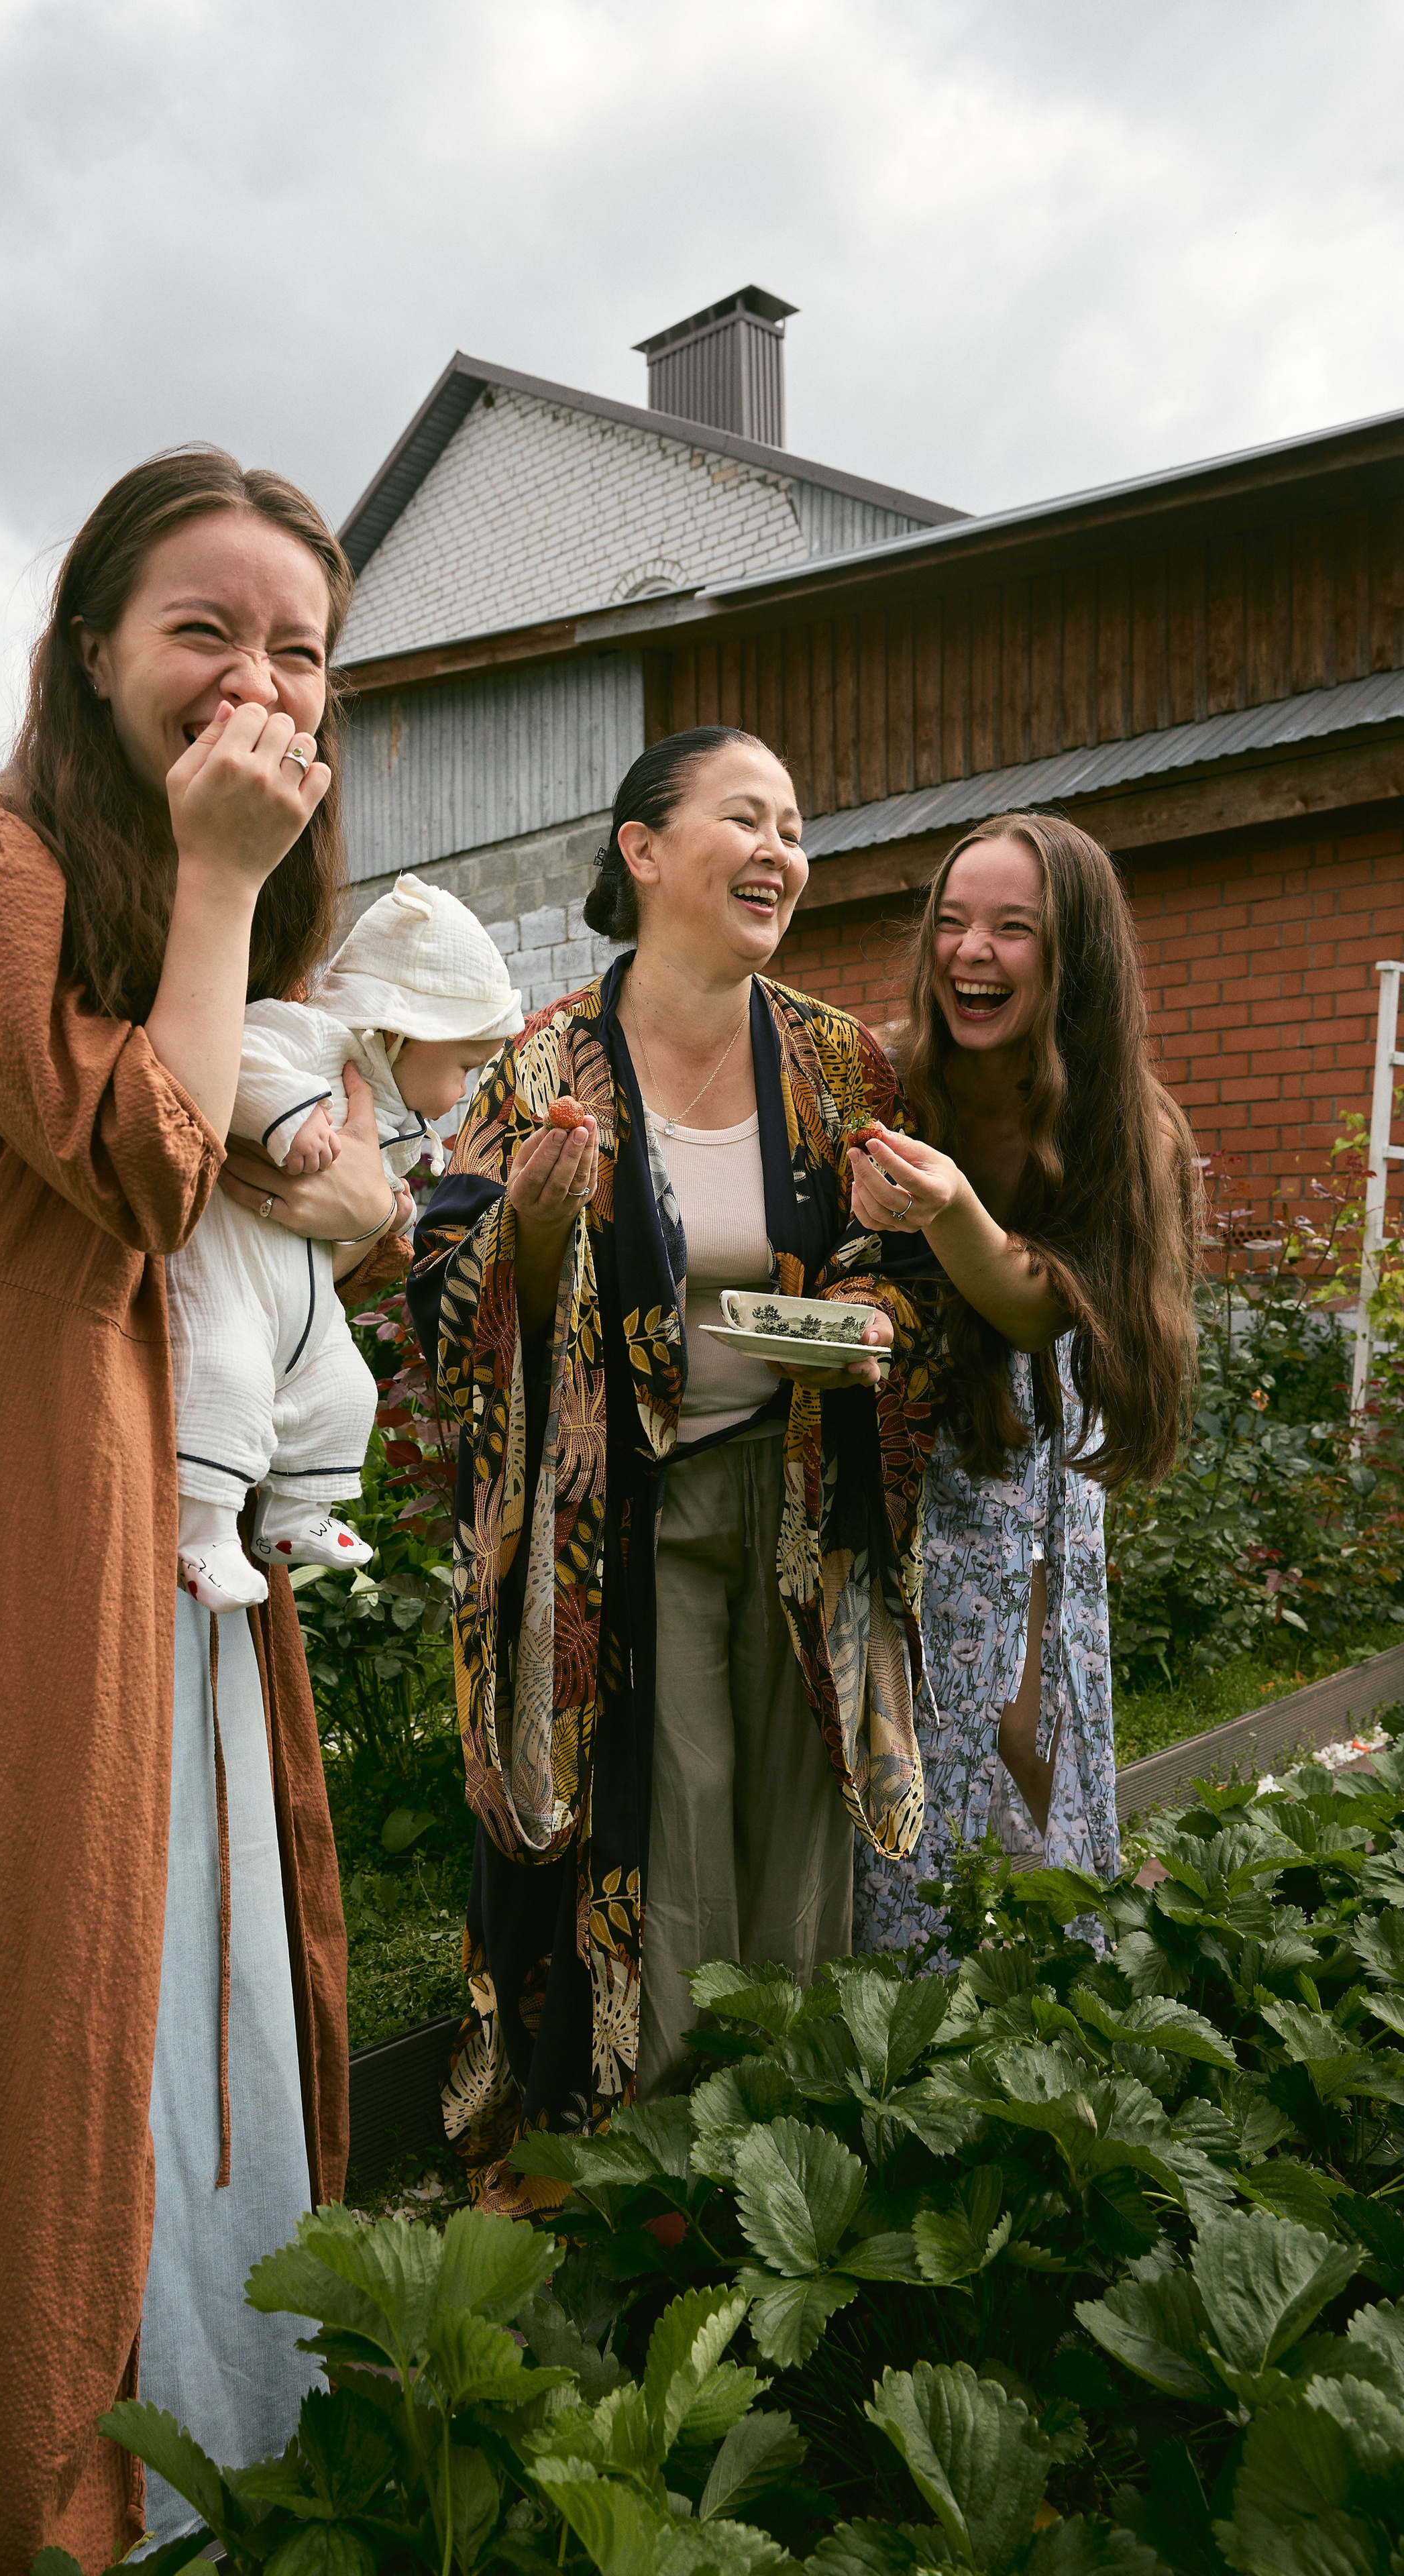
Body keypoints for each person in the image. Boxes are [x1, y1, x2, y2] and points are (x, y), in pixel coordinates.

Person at [0, 449, 402, 2575]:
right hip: (24, 1451)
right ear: (92, 647)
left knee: (181, 1916)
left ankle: (206, 2392)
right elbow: (140, 1167)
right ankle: (35, 2461)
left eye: (297, 646)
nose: (253, 678)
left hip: (169, 1463)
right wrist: (223, 888)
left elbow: (346, 1190)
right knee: (51, 1939)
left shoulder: (218, 894)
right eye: (202, 629)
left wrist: (324, 1147)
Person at [407, 726, 942, 2209]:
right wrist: (526, 1215)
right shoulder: (539, 1064)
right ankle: (666, 2166)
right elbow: (441, 1301)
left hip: (802, 1500)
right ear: (642, 850)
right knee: (668, 1828)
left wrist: (868, 1317)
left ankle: (799, 2157)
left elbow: (903, 1274)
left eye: (792, 823)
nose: (779, 849)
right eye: (743, 817)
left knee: (800, 1820)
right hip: (615, 1528)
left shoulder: (842, 1060)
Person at [846, 810, 1198, 1951]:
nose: (968, 953)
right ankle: (889, 1976)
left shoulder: (1122, 1121)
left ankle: (1054, 1954)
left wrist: (951, 1208)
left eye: (1011, 929)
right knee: (895, 1725)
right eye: (950, 924)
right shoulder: (887, 1076)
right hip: (885, 1446)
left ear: (1074, 955)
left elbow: (1036, 1305)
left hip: (1024, 1465)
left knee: (1027, 1720)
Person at [171, 871, 521, 1609]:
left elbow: (368, 1203)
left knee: (343, 1388)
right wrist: (288, 1117)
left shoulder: (394, 1108)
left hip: (304, 1295)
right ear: (396, 1029)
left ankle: (295, 1516)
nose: (462, 1091)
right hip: (234, 1278)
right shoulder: (313, 1038)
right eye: (462, 1066)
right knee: (225, 1379)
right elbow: (231, 1054)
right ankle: (200, 1534)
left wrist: (385, 1209)